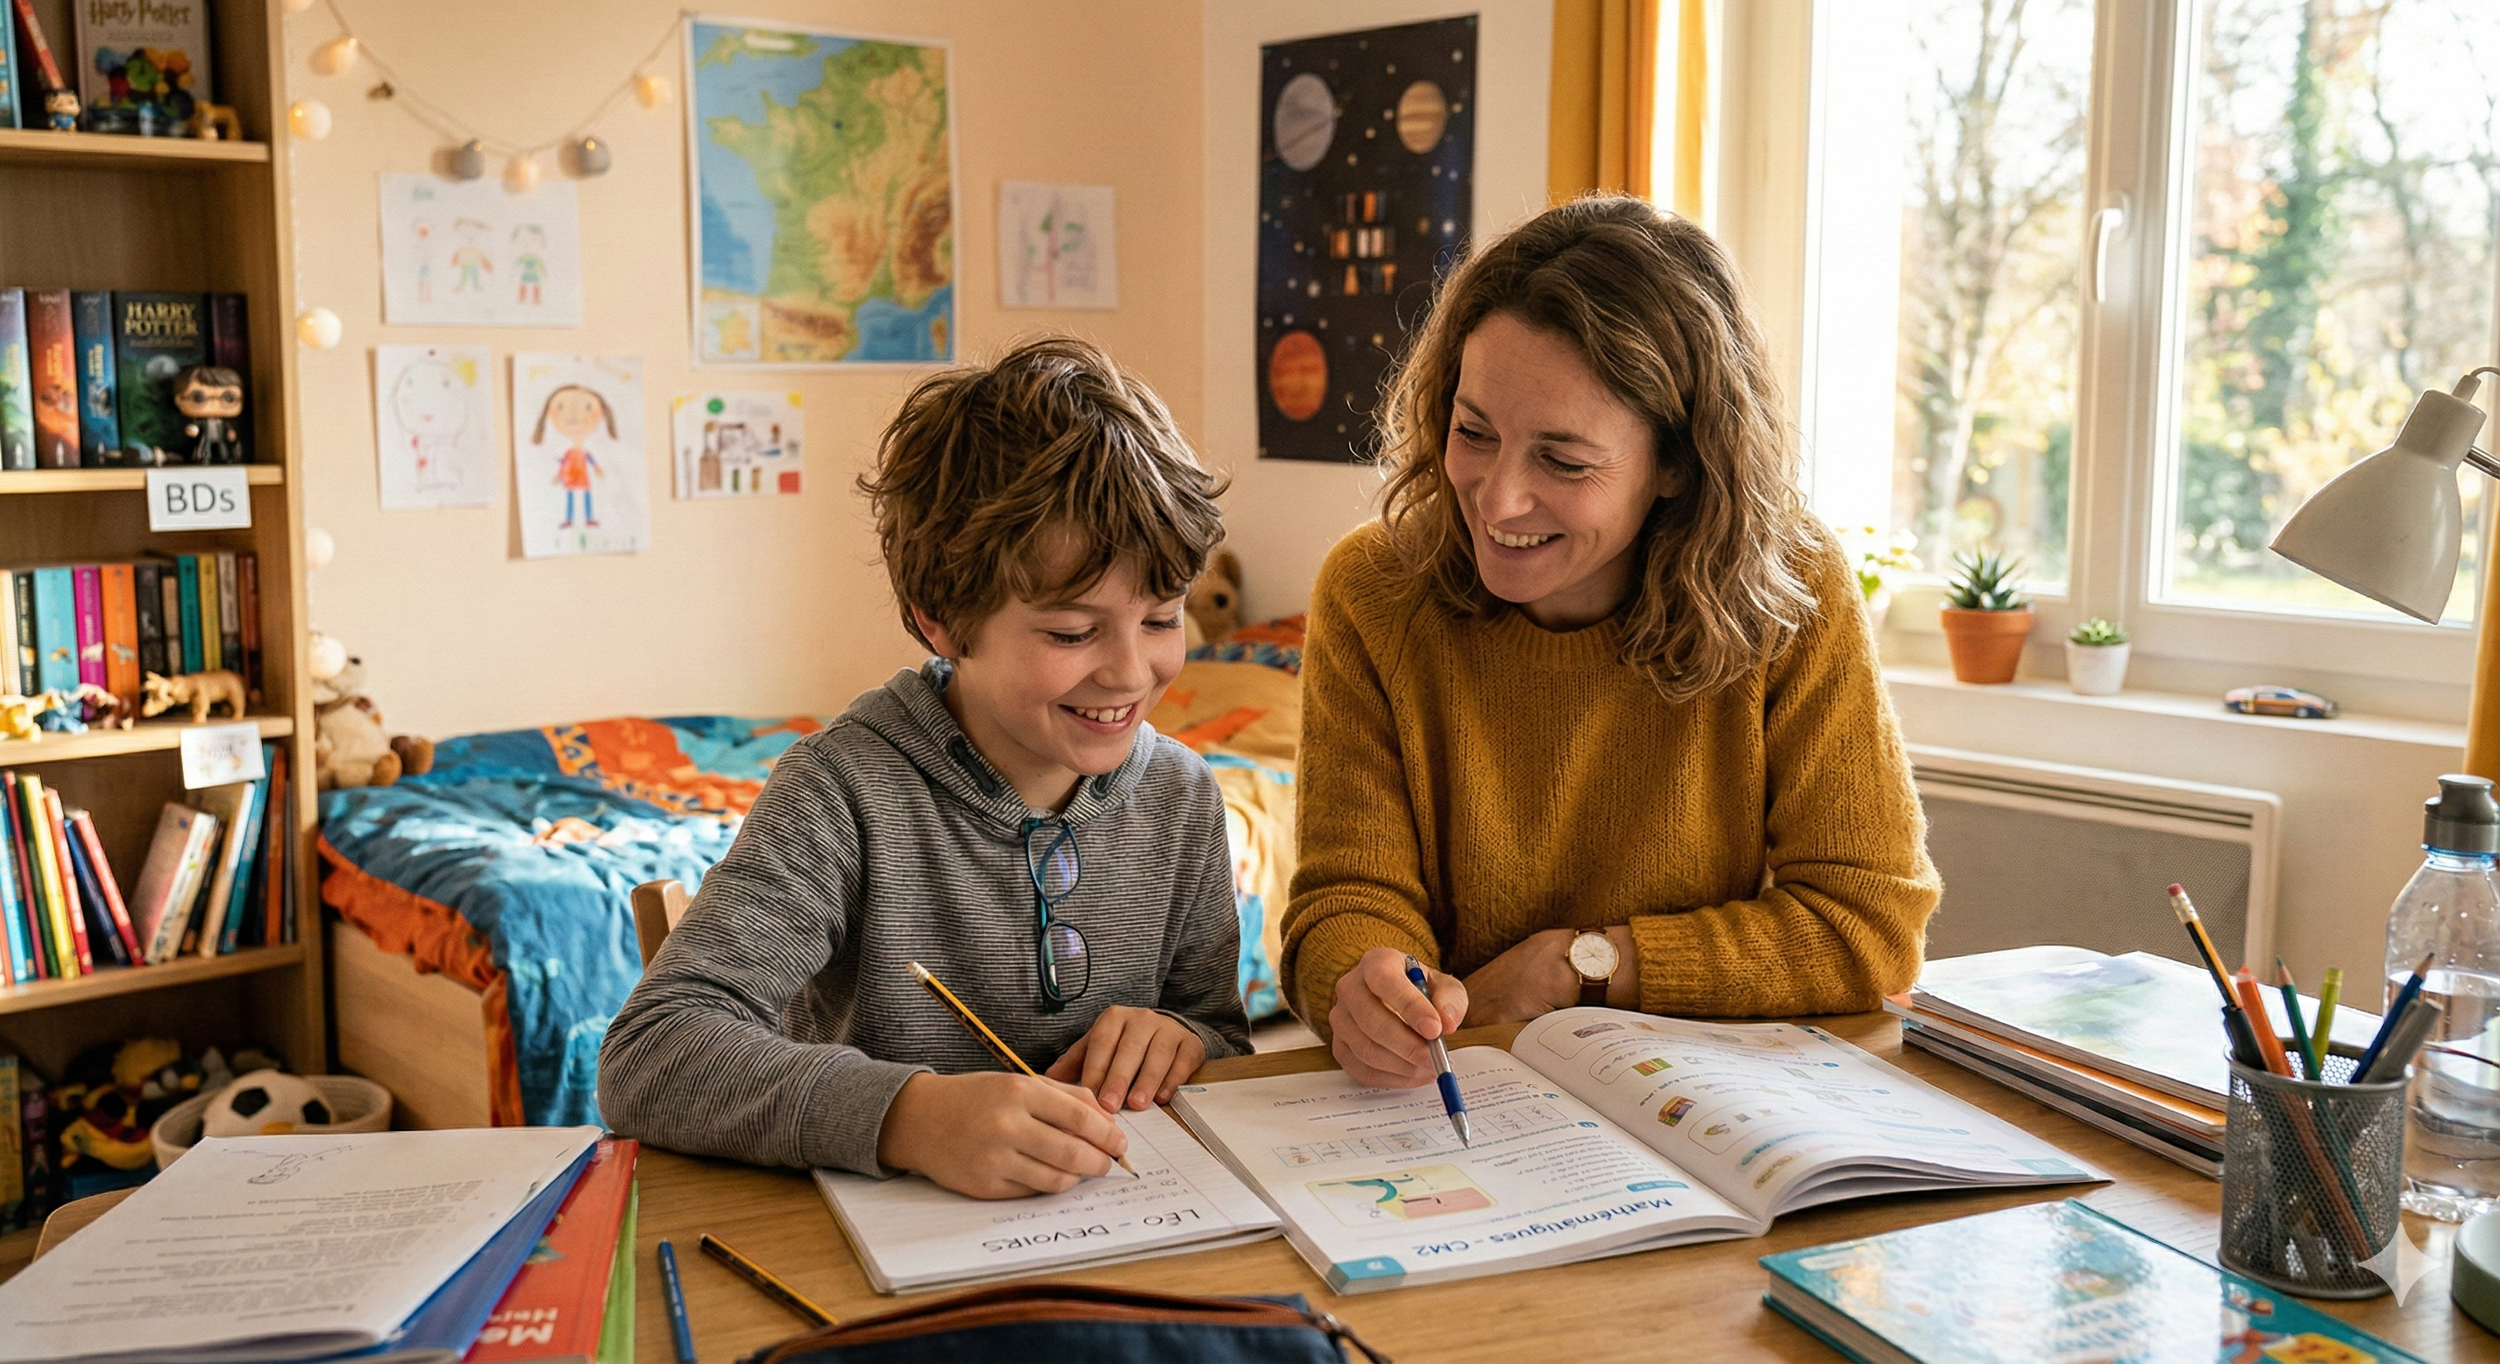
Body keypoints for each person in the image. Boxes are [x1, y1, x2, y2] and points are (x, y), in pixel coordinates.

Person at [1282, 196, 1941, 1091]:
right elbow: (1346, 899)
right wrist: (1361, 982)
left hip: (1715, 1106)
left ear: (1679, 463)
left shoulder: (1792, 595)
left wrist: (1582, 965)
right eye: (1473, 432)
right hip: (1469, 1106)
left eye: (1563, 460)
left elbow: (1867, 929)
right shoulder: (1373, 593)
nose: (1498, 498)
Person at [599, 336, 1250, 1198]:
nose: (1132, 673)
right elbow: (654, 1055)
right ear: (941, 619)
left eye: (1161, 619)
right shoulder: (841, 794)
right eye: (1070, 632)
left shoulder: (1182, 798)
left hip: (1114, 1239)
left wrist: (1185, 1036)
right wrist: (910, 1116)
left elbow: (1218, 1031)